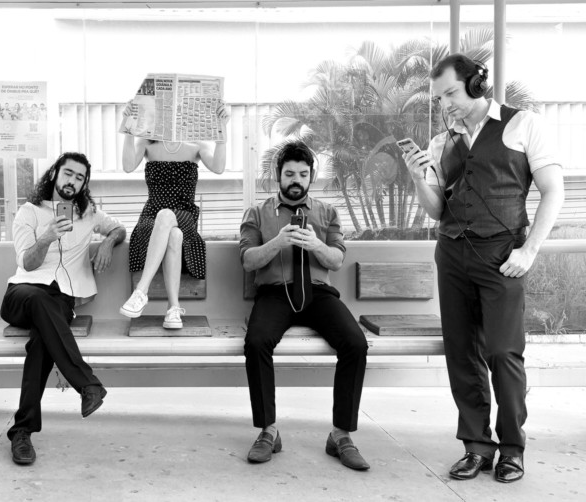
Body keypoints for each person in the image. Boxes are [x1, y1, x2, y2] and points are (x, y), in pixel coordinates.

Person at [404, 54, 564, 483]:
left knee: (502, 352)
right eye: (439, 98)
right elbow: (438, 211)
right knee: (461, 351)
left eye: (451, 93)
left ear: (477, 84)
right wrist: (419, 178)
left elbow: (553, 192)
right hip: (451, 253)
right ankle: (476, 447)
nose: (445, 105)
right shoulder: (442, 142)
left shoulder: (522, 124)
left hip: (502, 255)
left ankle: (512, 448)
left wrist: (528, 251)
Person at [239, 141, 370, 469]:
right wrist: (277, 242)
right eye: (289, 174)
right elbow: (247, 261)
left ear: (311, 176)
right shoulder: (257, 213)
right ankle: (268, 431)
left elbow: (337, 260)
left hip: (318, 294)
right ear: (278, 176)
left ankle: (340, 435)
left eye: (302, 173)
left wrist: (316, 245)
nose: (295, 179)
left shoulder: (327, 213)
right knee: (256, 342)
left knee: (355, 343)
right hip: (274, 293)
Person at [1, 152, 126, 466]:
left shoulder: (90, 214)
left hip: (61, 301)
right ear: (55, 173)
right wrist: (47, 236)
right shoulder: (28, 212)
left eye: (80, 177)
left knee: (43, 341)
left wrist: (108, 243)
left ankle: (22, 432)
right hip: (23, 293)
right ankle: (87, 384)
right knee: (42, 302)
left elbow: (119, 228)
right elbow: (26, 263)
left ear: (84, 184)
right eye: (68, 173)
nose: (73, 181)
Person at [118, 103, 229, 328]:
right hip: (151, 217)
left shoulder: (196, 145)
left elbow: (218, 167)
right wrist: (128, 129)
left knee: (168, 216)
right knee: (174, 235)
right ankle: (173, 309)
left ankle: (141, 290)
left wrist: (222, 131)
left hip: (184, 212)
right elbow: (128, 166)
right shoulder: (147, 144)